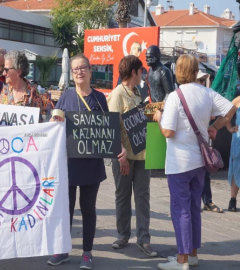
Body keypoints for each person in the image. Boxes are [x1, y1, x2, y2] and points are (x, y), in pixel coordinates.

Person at [154, 54, 236, 270]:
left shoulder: (175, 96)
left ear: (178, 71)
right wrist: (215, 127)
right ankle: (193, 254)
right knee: (193, 209)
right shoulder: (207, 93)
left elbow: (169, 132)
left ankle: (182, 260)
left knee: (180, 209)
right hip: (200, 162)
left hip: (179, 163)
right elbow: (231, 108)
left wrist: (159, 118)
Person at [47, 54, 127, 270]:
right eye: (75, 69)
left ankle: (87, 252)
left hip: (91, 165)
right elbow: (54, 126)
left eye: (83, 68)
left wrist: (120, 149)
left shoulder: (100, 98)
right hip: (69, 164)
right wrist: (54, 122)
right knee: (66, 209)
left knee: (88, 209)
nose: (79, 72)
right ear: (72, 75)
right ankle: (62, 249)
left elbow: (108, 130)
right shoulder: (65, 97)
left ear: (91, 71)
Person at [107, 55, 157, 257]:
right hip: (124, 156)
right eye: (141, 71)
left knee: (143, 198)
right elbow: (113, 127)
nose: (143, 74)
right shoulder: (118, 94)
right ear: (134, 73)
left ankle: (144, 239)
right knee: (122, 196)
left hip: (143, 154)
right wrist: (121, 157)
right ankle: (123, 234)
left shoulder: (139, 92)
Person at [196, 70, 223, 213]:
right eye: (200, 80)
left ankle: (207, 201)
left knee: (206, 170)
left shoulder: (206, 95)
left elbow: (221, 112)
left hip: (204, 138)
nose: (202, 82)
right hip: (192, 141)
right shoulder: (188, 95)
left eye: (203, 80)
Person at [0, 50, 43, 121]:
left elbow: (38, 123)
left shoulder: (33, 93)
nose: (3, 73)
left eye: (6, 70)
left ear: (18, 72)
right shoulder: (4, 91)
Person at [226, 95, 240, 212]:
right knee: (236, 169)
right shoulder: (238, 100)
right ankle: (232, 200)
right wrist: (230, 128)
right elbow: (225, 113)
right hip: (238, 140)